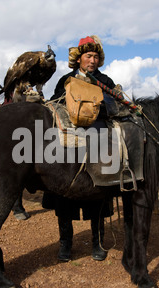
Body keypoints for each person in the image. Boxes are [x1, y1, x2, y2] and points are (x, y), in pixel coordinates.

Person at [43, 35, 115, 262]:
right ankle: (65, 244)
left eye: (95, 56)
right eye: (88, 56)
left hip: (97, 140)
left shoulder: (105, 80)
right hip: (68, 142)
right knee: (64, 192)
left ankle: (97, 243)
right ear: (79, 58)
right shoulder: (65, 79)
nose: (92, 61)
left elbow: (113, 106)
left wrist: (93, 108)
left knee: (98, 191)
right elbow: (53, 105)